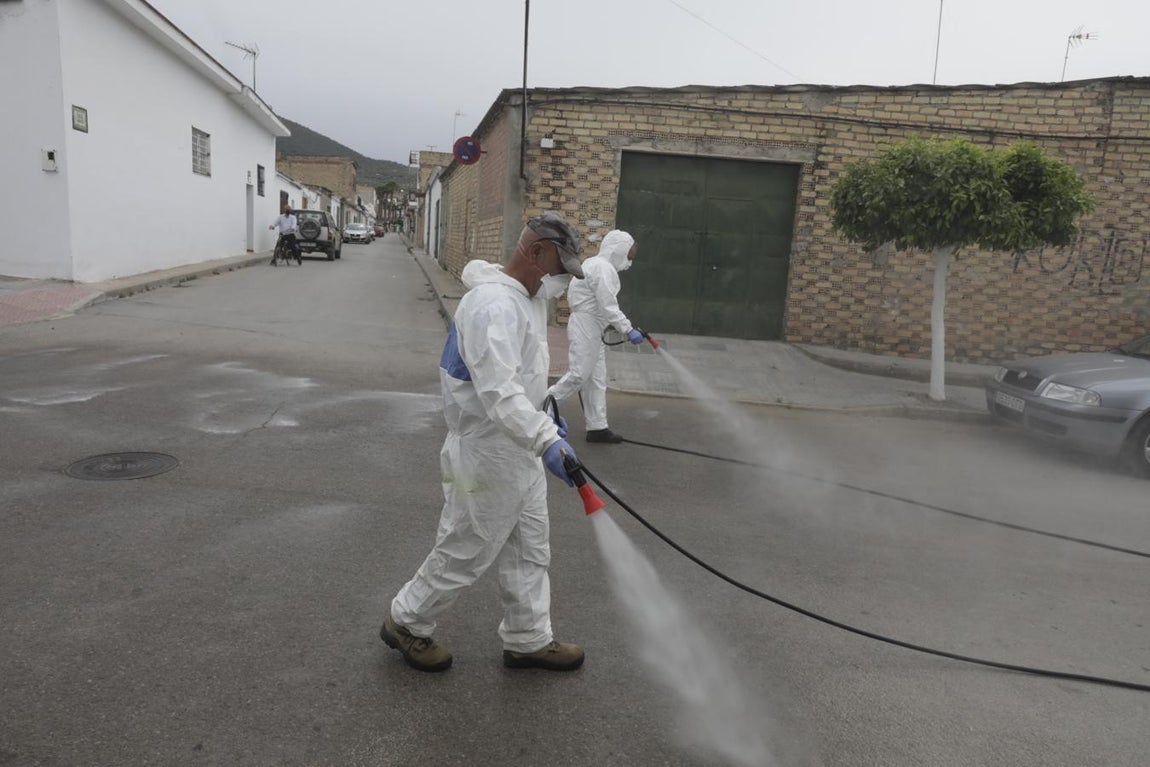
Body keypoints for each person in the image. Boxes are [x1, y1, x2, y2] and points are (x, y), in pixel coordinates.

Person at [381, 212, 588, 673]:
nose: (562, 282)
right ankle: (406, 622)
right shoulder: (493, 305)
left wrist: (546, 416)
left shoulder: (528, 299)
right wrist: (544, 438)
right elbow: (497, 390)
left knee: (530, 548)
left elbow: (523, 376)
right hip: (484, 452)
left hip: (520, 447)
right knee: (466, 548)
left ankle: (528, 638)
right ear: (535, 253)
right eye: (559, 267)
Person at [547, 230, 641, 444]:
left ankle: (597, 427)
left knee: (596, 379)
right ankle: (540, 408)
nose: (629, 261)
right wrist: (628, 329)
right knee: (579, 375)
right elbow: (608, 305)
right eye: (629, 255)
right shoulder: (601, 268)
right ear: (617, 251)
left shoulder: (597, 265)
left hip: (593, 327)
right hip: (586, 325)